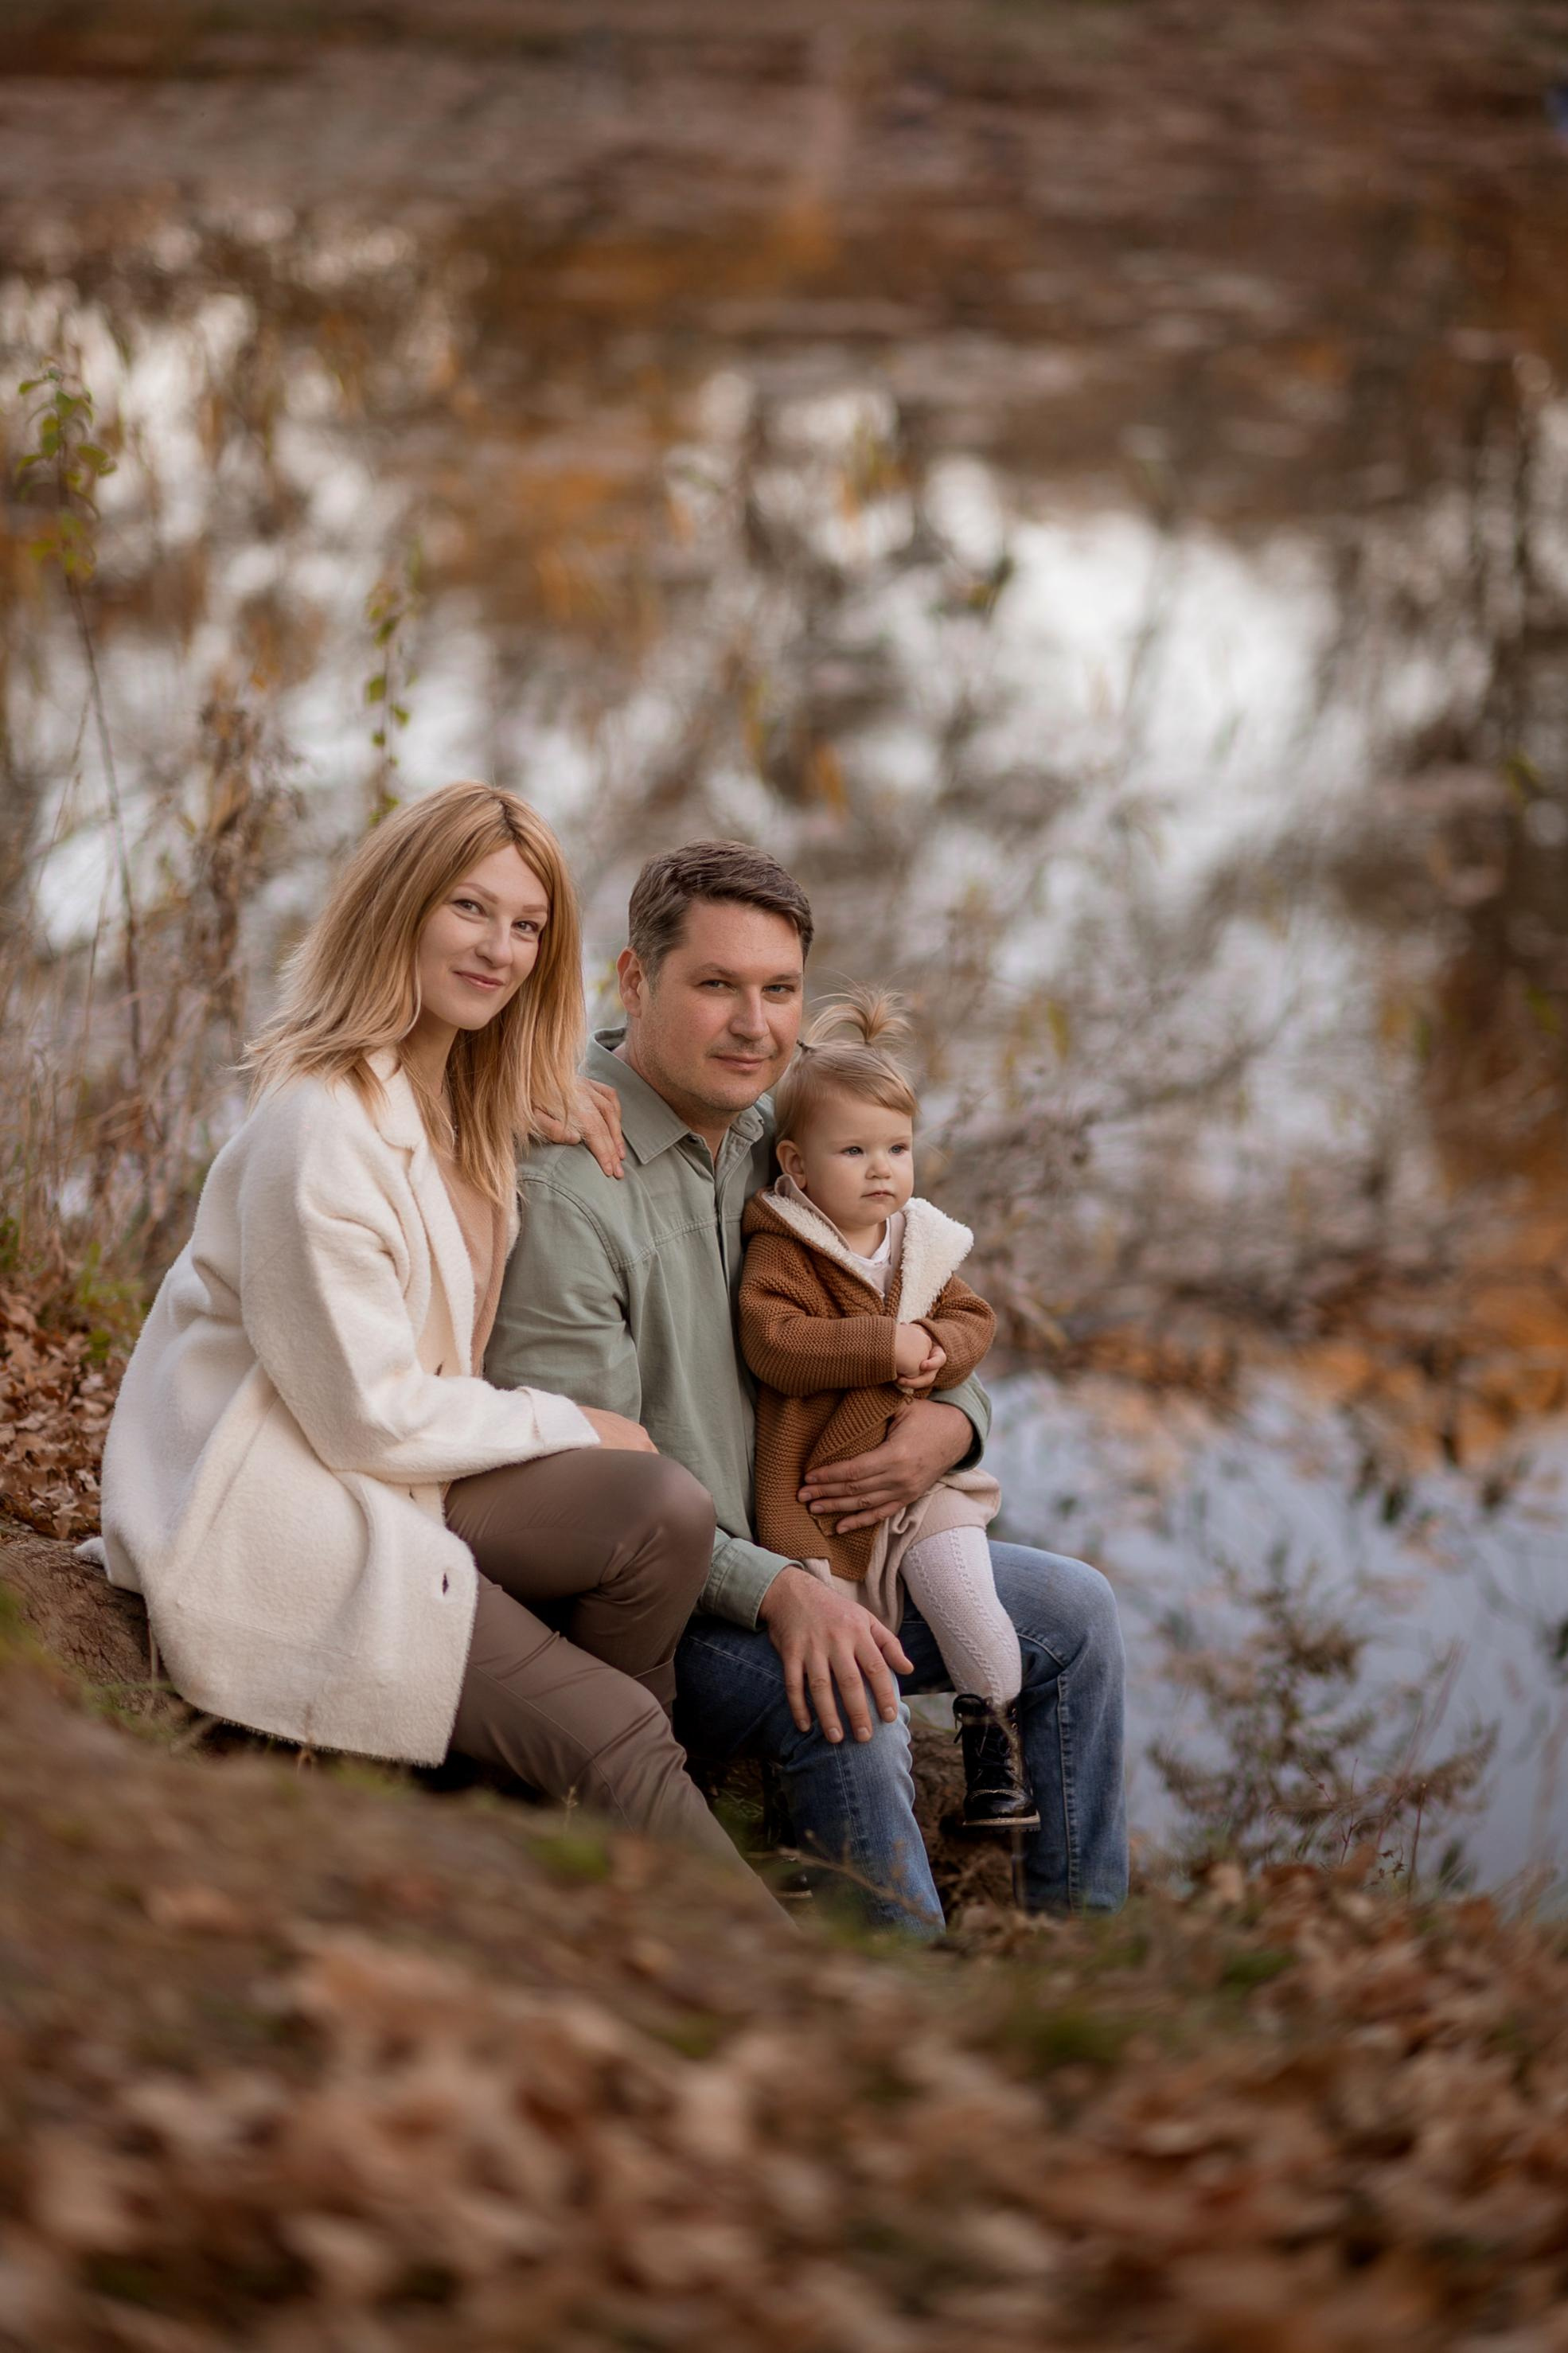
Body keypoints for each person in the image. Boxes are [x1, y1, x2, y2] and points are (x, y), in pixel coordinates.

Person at [98, 783, 748, 1879]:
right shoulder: (321, 1128)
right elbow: (365, 1416)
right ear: (400, 907)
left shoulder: (463, 1100)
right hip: (290, 1490)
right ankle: (768, 1984)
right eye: (468, 909)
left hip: (397, 1468)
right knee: (617, 1726)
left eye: (527, 925)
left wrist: (547, 1089)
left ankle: (555, 1823)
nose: (499, 949)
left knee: (665, 1512)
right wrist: (568, 1421)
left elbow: (498, 1120)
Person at [486, 839, 1129, 1934]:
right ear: (635, 981)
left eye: (779, 990)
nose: (755, 1026)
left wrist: (948, 1429)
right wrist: (779, 1592)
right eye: (716, 986)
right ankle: (886, 1999)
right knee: (858, 1708)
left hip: (832, 1545)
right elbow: (588, 1491)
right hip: (672, 1607)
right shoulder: (570, 1188)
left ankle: (1076, 1958)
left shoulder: (782, 1133)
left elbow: (921, 1297)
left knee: (1074, 1612)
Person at [739, 985, 1036, 1834]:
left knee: (970, 1603)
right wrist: (883, 1344)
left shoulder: (921, 1242)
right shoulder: (782, 1248)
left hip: (921, 1496)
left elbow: (975, 1317)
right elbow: (775, 1344)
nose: (882, 1170)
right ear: (795, 1166)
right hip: (816, 1504)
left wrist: (939, 1346)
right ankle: (802, 1824)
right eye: (855, 1150)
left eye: (897, 1148)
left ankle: (992, 1758)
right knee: (839, 1679)